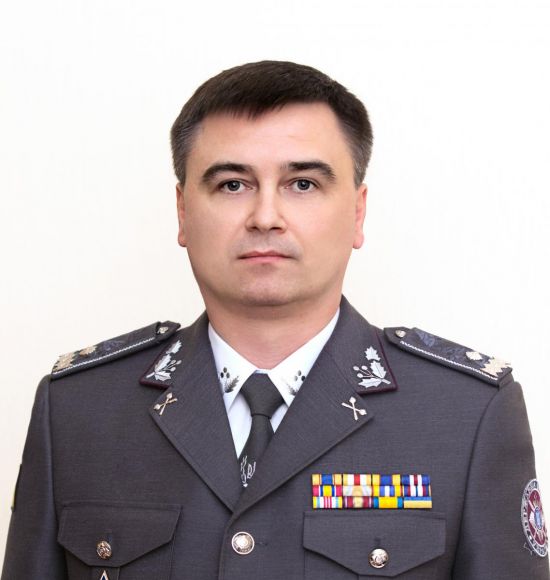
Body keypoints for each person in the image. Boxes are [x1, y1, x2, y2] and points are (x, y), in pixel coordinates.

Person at [1, 60, 548, 580]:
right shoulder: (78, 411)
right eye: (232, 184)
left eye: (302, 183)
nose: (265, 217)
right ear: (183, 212)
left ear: (358, 211)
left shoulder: (465, 415)